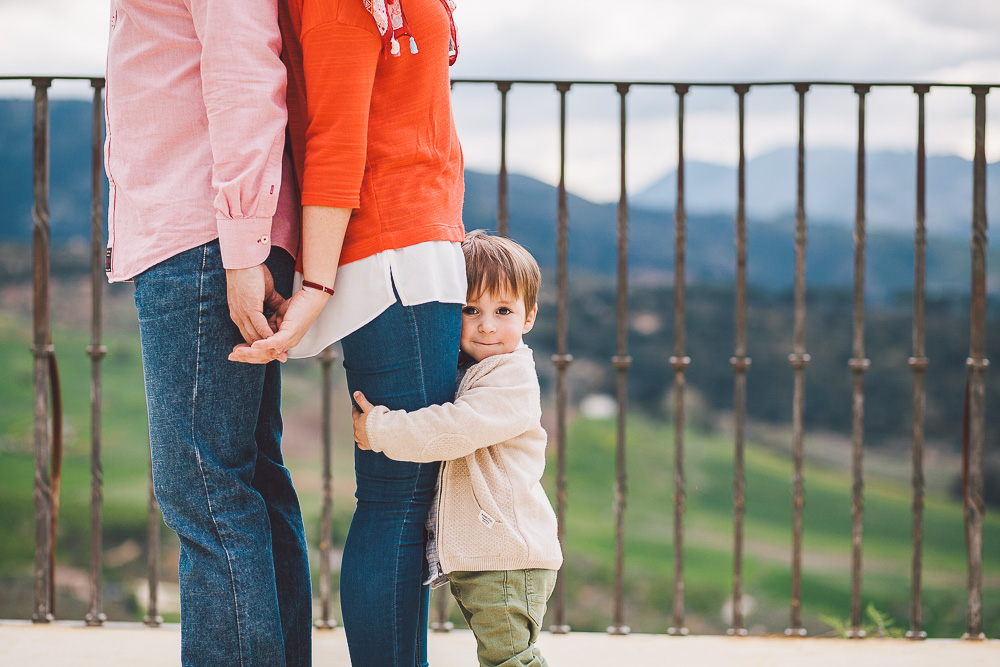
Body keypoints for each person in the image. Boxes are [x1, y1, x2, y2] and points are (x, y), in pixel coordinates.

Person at [229, 1, 466, 664]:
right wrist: (318, 283)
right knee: (398, 499)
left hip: (410, 246)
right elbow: (334, 134)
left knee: (398, 497)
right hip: (395, 253)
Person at [104, 1, 312, 665]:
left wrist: (245, 246)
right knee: (246, 480)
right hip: (214, 233)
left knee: (206, 490)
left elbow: (244, 74)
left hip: (202, 232)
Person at [352, 230, 563, 667]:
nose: (487, 324)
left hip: (508, 560)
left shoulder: (511, 379)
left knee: (511, 660)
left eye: (503, 310)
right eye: (471, 309)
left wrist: (381, 429)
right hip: (489, 554)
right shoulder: (477, 369)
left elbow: (454, 430)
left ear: (529, 317)